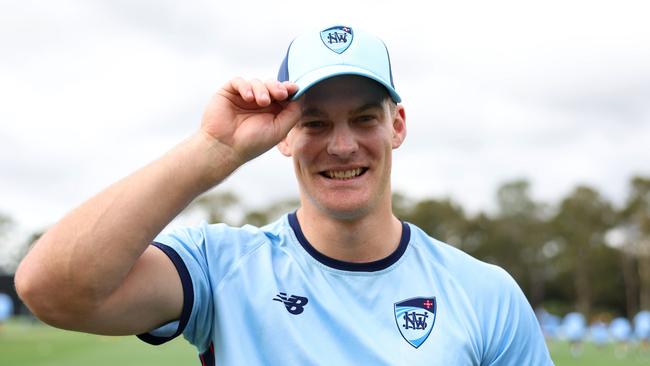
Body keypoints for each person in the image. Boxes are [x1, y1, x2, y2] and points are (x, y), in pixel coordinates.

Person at [15, 25, 552, 365]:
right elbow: (53, 289)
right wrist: (212, 150)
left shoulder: (484, 293)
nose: (342, 146)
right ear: (285, 137)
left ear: (398, 126)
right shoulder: (220, 267)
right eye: (314, 122)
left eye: (364, 118)